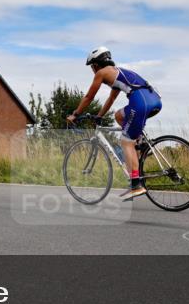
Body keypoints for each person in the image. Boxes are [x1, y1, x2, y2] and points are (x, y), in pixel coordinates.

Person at [66, 47, 162, 200]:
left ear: (96, 64)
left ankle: (136, 184)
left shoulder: (102, 73)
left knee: (126, 142)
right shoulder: (117, 73)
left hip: (140, 102)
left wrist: (75, 114)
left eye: (92, 66)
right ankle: (141, 144)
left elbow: (89, 97)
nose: (92, 70)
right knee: (119, 116)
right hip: (153, 100)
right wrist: (99, 116)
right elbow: (111, 99)